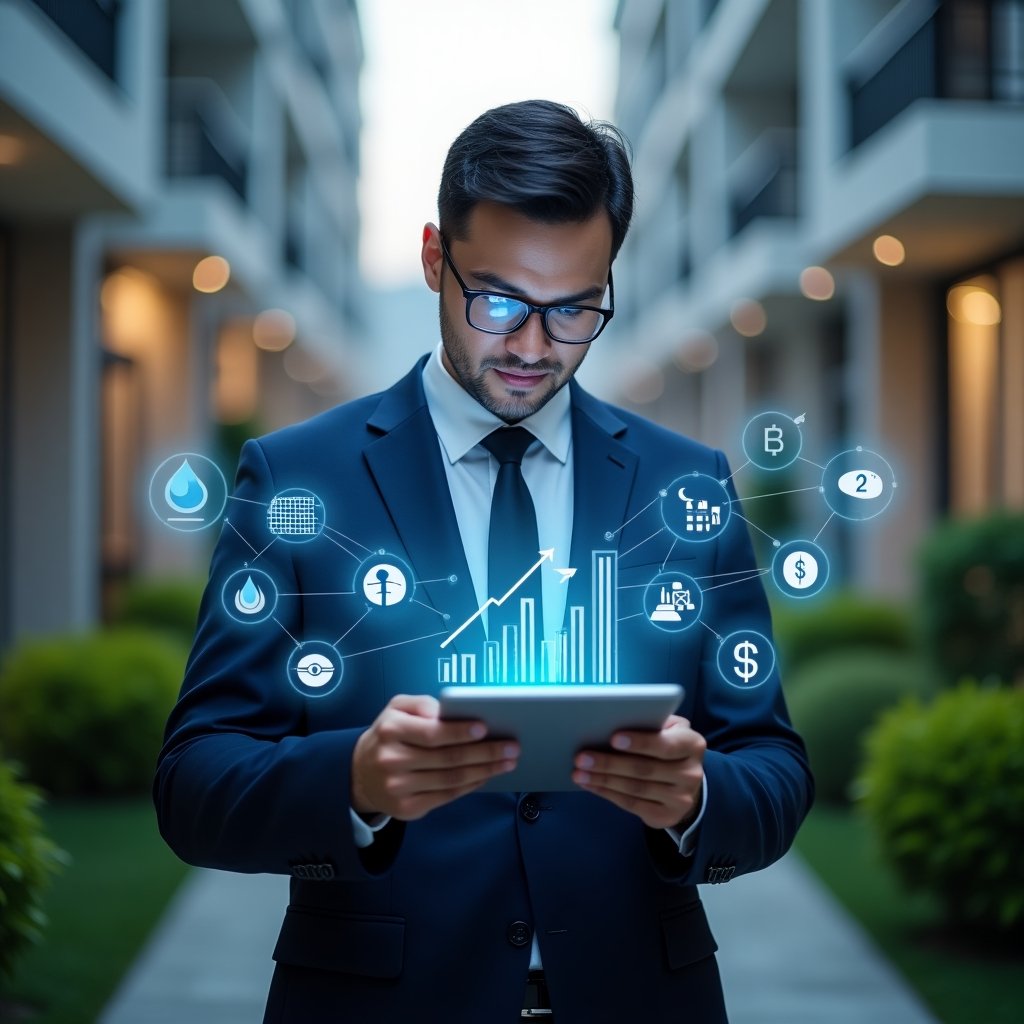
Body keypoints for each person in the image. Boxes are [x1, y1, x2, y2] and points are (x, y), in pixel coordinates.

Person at [155, 99, 814, 1023]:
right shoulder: (297, 479)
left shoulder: (689, 485)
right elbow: (193, 785)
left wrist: (698, 798)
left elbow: (777, 766)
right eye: (499, 300)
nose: (535, 347)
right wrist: (353, 782)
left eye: (576, 309)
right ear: (435, 258)